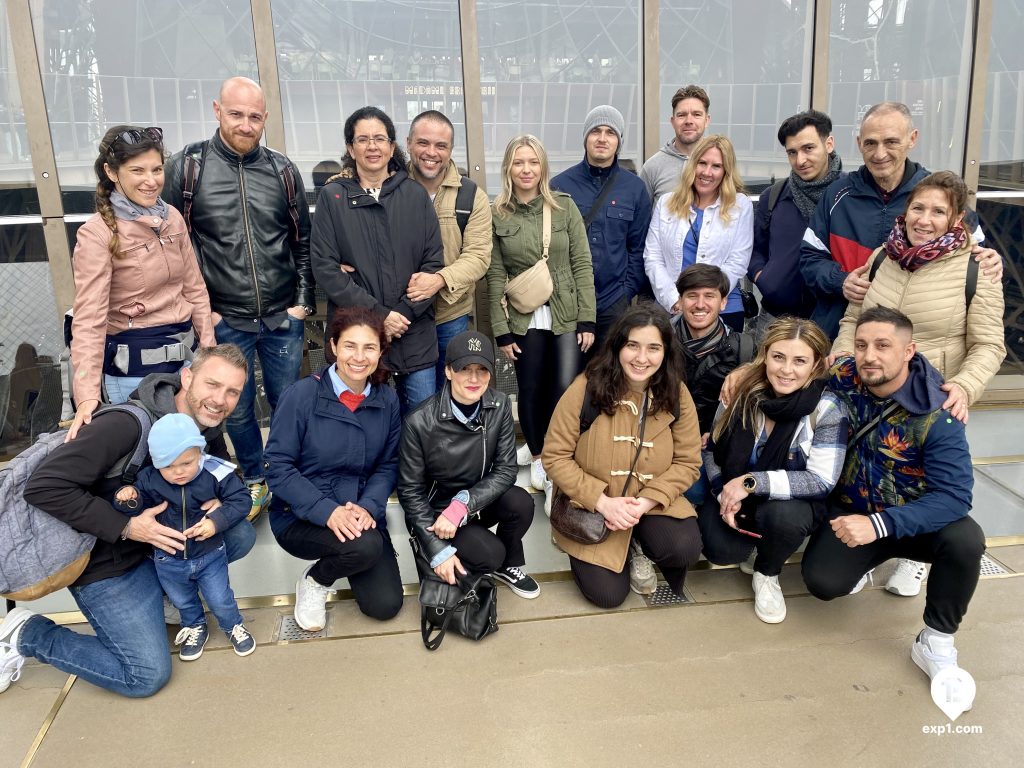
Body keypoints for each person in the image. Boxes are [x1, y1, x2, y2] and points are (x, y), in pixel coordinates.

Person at [2, 344, 254, 698]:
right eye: (212, 384)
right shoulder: (125, 424)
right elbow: (44, 486)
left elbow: (229, 482)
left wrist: (220, 507)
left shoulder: (205, 431)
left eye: (232, 391)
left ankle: (170, 593)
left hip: (155, 551)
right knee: (145, 675)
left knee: (238, 532)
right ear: (187, 378)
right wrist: (127, 526)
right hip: (107, 560)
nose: (220, 399)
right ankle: (27, 634)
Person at [802, 307, 985, 709]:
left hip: (910, 521)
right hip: (851, 515)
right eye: (863, 345)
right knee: (823, 584)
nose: (870, 356)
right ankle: (865, 564)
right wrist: (741, 376)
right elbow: (786, 371)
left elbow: (955, 496)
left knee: (966, 539)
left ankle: (935, 641)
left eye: (883, 346)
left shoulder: (939, 412)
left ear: (909, 351)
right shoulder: (842, 376)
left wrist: (881, 525)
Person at [164, 76, 315, 522]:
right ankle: (255, 479)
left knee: (289, 403)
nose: (245, 124)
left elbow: (301, 242)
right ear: (217, 110)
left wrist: (302, 300)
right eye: (236, 114)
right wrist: (200, 309)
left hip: (282, 316)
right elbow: (176, 245)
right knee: (236, 407)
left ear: (265, 118)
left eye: (254, 116)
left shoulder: (283, 171)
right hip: (223, 318)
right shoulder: (188, 168)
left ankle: (290, 476)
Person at [542, 303, 703, 609]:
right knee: (608, 596)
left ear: (666, 352)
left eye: (654, 348)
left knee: (683, 549)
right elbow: (555, 456)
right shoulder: (585, 388)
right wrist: (603, 502)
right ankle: (623, 547)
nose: (642, 358)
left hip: (650, 501)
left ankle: (638, 540)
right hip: (594, 506)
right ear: (618, 346)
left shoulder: (677, 393)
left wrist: (644, 503)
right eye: (633, 346)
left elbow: (688, 461)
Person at [800, 101, 1002, 341]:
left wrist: (993, 258)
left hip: (911, 345)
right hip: (839, 334)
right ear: (859, 144)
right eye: (870, 143)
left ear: (912, 139)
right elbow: (809, 258)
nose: (879, 153)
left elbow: (980, 259)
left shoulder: (938, 196)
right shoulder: (836, 195)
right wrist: (840, 281)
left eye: (891, 142)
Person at [68, 124, 215, 438]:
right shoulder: (97, 233)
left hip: (184, 364)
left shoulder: (172, 217)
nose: (151, 181)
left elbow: (195, 289)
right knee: (151, 469)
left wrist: (209, 352)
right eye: (137, 170)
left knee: (189, 458)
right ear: (111, 171)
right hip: (134, 374)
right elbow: (89, 319)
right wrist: (86, 395)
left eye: (157, 169)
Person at [264, 307, 404, 632]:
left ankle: (349, 555)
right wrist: (327, 512)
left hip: (359, 514)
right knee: (366, 547)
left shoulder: (387, 399)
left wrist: (369, 507)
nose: (359, 356)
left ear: (381, 351)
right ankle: (316, 580)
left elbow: (388, 463)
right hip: (301, 516)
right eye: (349, 346)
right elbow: (278, 467)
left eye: (369, 347)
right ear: (333, 347)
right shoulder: (301, 396)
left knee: (384, 605)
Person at [700, 318, 848, 624]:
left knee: (782, 518)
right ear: (765, 355)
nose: (786, 370)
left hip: (788, 505)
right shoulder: (742, 392)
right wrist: (723, 494)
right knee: (721, 551)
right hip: (738, 497)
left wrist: (752, 483)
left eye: (800, 361)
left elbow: (821, 481)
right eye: (778, 357)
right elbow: (712, 449)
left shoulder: (827, 409)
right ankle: (753, 544)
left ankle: (767, 571)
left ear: (816, 365)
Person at [833, 171, 1005, 424]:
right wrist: (844, 355)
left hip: (928, 405)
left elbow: (989, 345)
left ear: (957, 219)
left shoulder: (978, 269)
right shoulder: (882, 257)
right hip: (866, 394)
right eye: (918, 208)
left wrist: (964, 386)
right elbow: (853, 319)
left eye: (938, 212)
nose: (924, 220)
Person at [311, 106, 445, 415]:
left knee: (421, 425)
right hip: (359, 336)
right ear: (350, 148)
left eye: (380, 139)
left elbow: (432, 263)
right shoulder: (333, 199)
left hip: (414, 333)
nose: (372, 146)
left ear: (392, 146)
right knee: (364, 425)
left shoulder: (414, 195)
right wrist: (381, 316)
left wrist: (401, 313)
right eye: (363, 139)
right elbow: (326, 269)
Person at [487, 134, 597, 504]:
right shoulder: (497, 213)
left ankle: (557, 454)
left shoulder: (565, 207)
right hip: (522, 315)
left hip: (566, 311)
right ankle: (537, 456)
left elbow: (582, 264)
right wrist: (501, 332)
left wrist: (588, 320)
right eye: (518, 163)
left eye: (532, 162)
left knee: (565, 389)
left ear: (543, 167)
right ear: (508, 168)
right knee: (530, 389)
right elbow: (495, 274)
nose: (526, 170)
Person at [399, 331, 539, 599]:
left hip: (474, 503)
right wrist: (436, 545)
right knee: (490, 555)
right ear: (449, 371)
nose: (474, 379)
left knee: (520, 503)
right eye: (465, 369)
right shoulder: (419, 421)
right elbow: (410, 492)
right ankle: (472, 560)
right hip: (438, 515)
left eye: (482, 369)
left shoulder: (498, 406)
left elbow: (507, 469)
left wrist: (464, 503)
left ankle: (508, 565)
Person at [114, 413, 255, 660]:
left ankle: (232, 624)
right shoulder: (149, 478)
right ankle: (194, 626)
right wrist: (128, 498)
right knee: (182, 601)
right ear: (156, 462)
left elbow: (242, 499)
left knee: (220, 597)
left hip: (209, 554)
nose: (178, 472)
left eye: (187, 463)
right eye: (168, 466)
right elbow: (138, 507)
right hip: (168, 559)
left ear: (200, 454)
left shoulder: (213, 472)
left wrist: (216, 521)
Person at [552, 105, 653, 349]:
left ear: (619, 141)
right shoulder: (559, 186)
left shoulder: (635, 188)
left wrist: (625, 294)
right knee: (568, 380)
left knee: (611, 377)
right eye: (596, 131)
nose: (602, 138)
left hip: (613, 303)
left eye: (610, 132)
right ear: (586, 137)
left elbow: (638, 248)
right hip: (569, 303)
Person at [405, 110, 493, 389]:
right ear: (408, 144)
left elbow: (478, 256)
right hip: (403, 317)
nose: (431, 152)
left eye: (440, 145)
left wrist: (439, 280)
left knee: (451, 396)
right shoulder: (390, 188)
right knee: (417, 399)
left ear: (451, 149)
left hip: (450, 316)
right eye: (423, 143)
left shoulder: (470, 195)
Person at [748, 110, 843, 340]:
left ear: (829, 144)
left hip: (831, 321)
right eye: (792, 152)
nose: (800, 160)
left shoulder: (848, 196)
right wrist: (764, 278)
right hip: (775, 318)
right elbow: (755, 249)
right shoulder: (774, 196)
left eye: (808, 148)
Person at [669, 264, 756, 515]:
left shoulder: (744, 348)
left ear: (724, 302)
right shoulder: (658, 342)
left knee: (700, 490)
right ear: (680, 300)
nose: (700, 304)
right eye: (692, 296)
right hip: (664, 442)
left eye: (709, 296)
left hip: (713, 448)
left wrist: (749, 368)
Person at [644, 134, 753, 332]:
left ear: (726, 171)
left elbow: (738, 261)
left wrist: (709, 301)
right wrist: (674, 300)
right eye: (702, 163)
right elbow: (653, 257)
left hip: (723, 310)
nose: (707, 172)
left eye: (716, 166)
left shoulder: (740, 206)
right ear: (692, 165)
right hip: (671, 307)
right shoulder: (666, 203)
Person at [640, 85, 711, 202]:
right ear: (673, 122)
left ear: (707, 120)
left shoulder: (720, 163)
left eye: (696, 114)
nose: (689, 121)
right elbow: (642, 217)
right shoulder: (652, 167)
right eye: (681, 115)